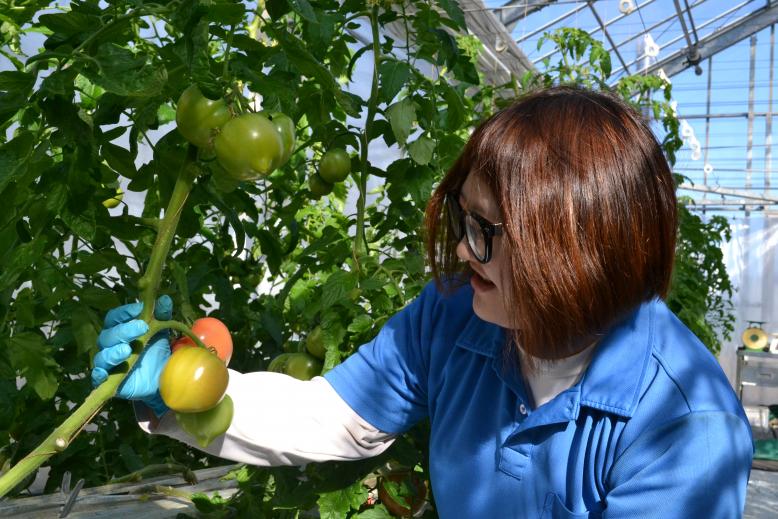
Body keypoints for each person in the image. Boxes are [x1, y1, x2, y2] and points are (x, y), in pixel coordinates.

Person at [92, 86, 754, 518]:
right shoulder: (456, 313)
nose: (464, 253)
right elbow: (333, 416)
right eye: (464, 220)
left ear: (575, 254)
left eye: (485, 231)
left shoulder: (683, 423)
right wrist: (184, 395)